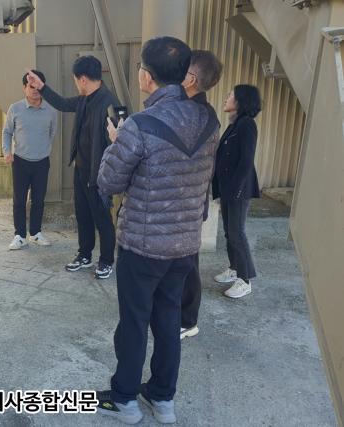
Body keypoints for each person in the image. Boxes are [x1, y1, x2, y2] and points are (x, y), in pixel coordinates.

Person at [95, 37, 220, 425]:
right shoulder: (209, 121)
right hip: (184, 245)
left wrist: (116, 142)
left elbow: (109, 181)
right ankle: (163, 399)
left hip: (143, 246)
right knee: (168, 321)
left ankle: (125, 400)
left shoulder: (140, 125)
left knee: (134, 322)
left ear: (146, 77)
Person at [26, 56, 119, 279]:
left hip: (99, 173)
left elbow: (118, 143)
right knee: (83, 215)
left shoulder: (109, 103)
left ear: (83, 79)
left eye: (76, 80)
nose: (76, 84)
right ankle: (84, 255)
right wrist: (42, 87)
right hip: (81, 168)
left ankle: (106, 260)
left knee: (102, 218)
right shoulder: (85, 99)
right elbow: (62, 103)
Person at [179, 50, 223, 340]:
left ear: (191, 79)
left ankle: (188, 319)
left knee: (187, 263)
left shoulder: (196, 115)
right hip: (187, 200)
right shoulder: (199, 112)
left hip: (187, 201)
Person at [212, 85, 262, 298]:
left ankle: (245, 279)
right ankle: (234, 268)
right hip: (229, 188)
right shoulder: (235, 124)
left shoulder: (247, 124)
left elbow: (246, 161)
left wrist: (235, 190)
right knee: (229, 232)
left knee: (237, 233)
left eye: (230, 95)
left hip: (238, 189)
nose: (226, 98)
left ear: (241, 100)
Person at [3, 70, 58, 250]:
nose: (35, 90)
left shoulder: (51, 111)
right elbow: (7, 132)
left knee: (38, 200)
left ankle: (35, 233)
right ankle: (19, 235)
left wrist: (42, 149)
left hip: (42, 162)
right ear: (24, 88)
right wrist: (7, 151)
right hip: (20, 161)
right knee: (19, 200)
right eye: (30, 87)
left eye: (37, 87)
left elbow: (51, 133)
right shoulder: (15, 108)